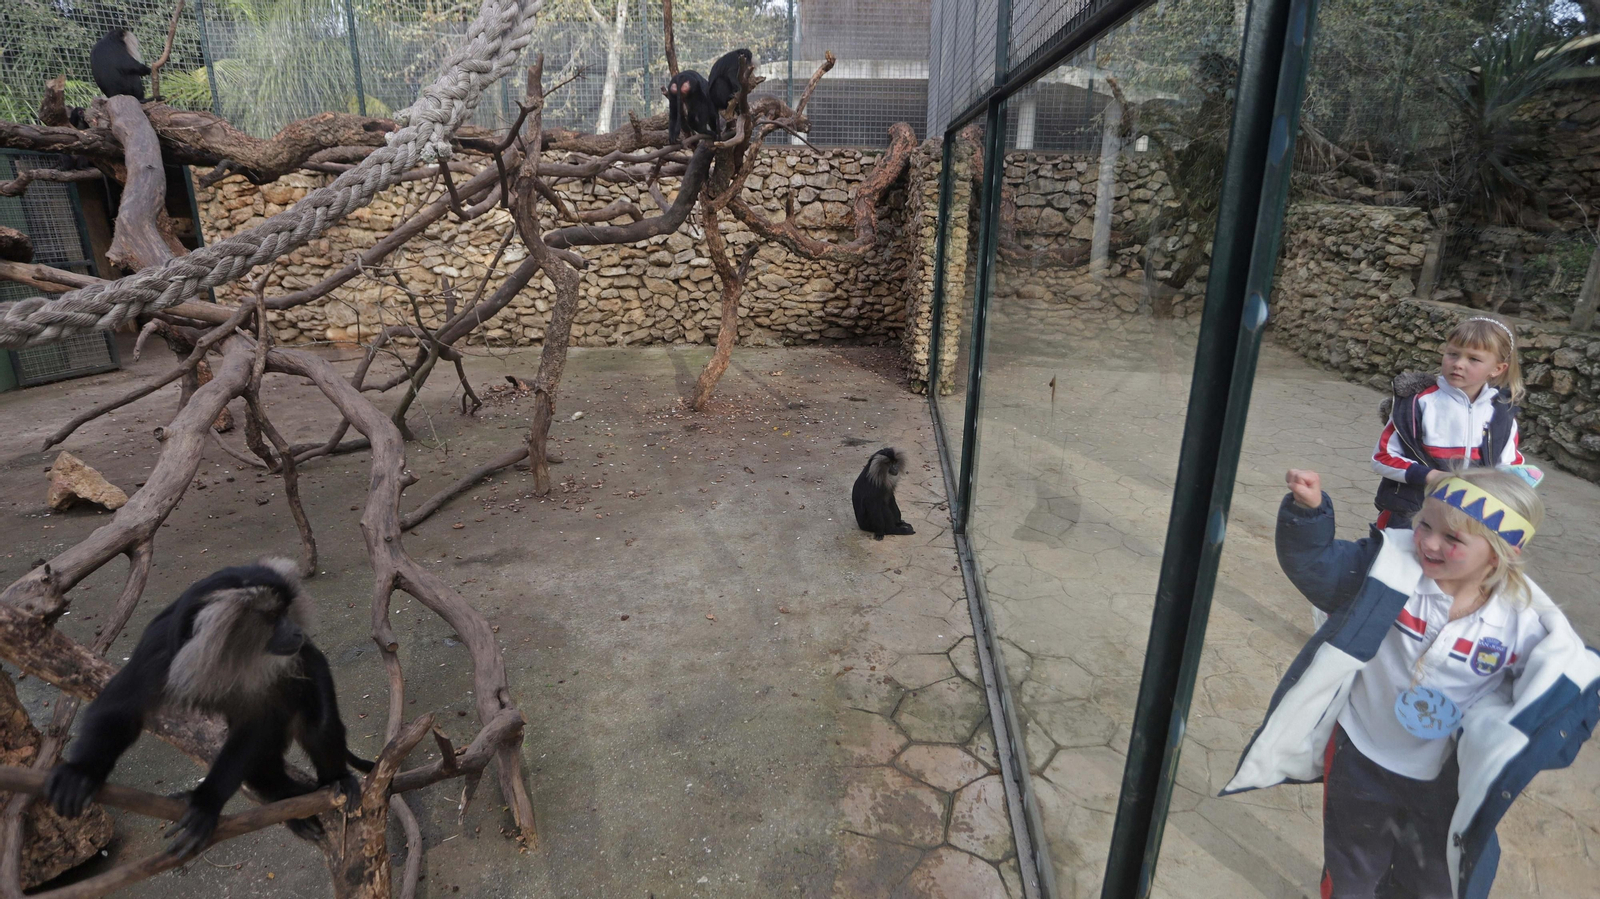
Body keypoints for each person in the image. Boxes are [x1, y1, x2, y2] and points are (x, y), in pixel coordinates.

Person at [1223, 466, 1600, 899]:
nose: (1429, 542)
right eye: (1425, 525)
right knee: (1351, 868)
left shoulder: (1523, 628)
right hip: (1360, 753)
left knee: (1433, 881)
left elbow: (1552, 710)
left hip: (1444, 780)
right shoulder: (1387, 569)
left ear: (1500, 554)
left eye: (1452, 538)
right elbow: (1318, 569)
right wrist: (1307, 515)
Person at [1371, 316, 1527, 533]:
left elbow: (1508, 466)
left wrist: (1512, 485)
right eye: (1453, 354)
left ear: (1497, 369)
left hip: (1467, 520)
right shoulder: (1416, 403)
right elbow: (1382, 458)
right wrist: (1431, 476)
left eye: (1474, 359)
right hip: (1409, 514)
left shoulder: (1502, 413)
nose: (1458, 364)